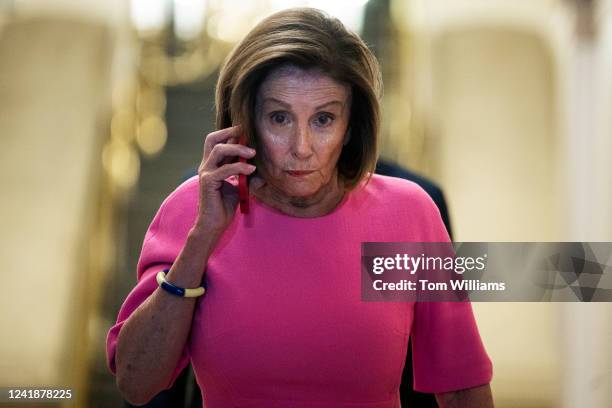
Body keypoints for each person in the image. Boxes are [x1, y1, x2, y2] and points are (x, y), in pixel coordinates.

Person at [107, 7, 493, 408]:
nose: (302, 148)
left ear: (350, 128)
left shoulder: (408, 212)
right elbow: (136, 384)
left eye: (324, 119)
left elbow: (462, 388)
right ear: (246, 122)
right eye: (279, 117)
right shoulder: (194, 208)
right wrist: (202, 237)